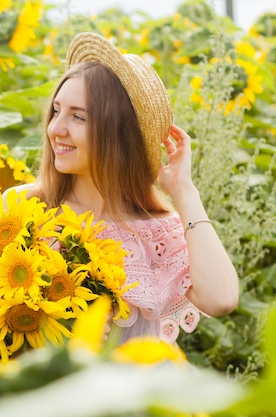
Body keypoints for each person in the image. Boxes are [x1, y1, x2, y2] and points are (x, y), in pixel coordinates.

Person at [12, 32, 239, 344]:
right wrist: (51, 324)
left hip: (140, 388)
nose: (55, 129)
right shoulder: (25, 207)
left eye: (78, 117)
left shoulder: (153, 231)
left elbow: (221, 298)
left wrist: (184, 190)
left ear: (116, 134)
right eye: (56, 110)